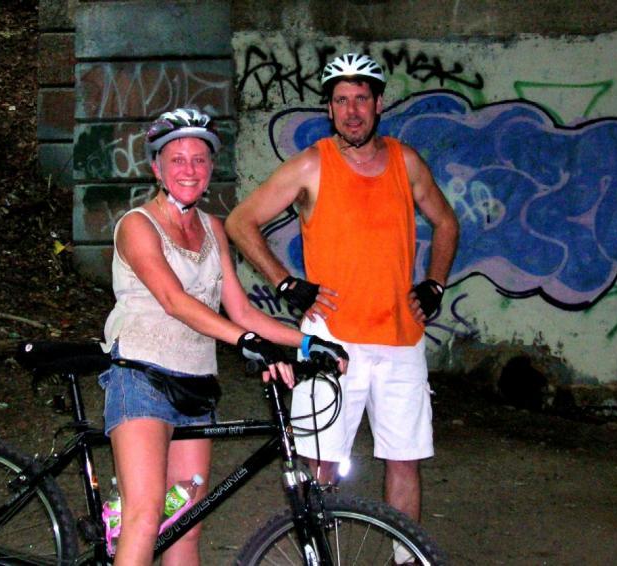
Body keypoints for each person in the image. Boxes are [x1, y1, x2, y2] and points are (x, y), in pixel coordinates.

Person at [99, 107, 348, 566]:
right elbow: (175, 300)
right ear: (156, 167)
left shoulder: (214, 228)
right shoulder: (137, 225)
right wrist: (244, 342)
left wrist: (308, 343)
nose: (189, 170)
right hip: (140, 378)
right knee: (146, 515)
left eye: (199, 160)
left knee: (186, 527)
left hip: (195, 383)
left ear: (210, 168)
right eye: (177, 160)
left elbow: (241, 311)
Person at [225, 53, 459, 523]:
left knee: (404, 460)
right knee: (321, 462)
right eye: (341, 101)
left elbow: (446, 222)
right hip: (332, 340)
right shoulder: (312, 165)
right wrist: (285, 282)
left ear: (378, 104)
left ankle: (407, 557)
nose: (352, 111)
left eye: (361, 99)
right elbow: (240, 221)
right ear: (329, 109)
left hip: (401, 339)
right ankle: (320, 553)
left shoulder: (405, 162)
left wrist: (434, 283)